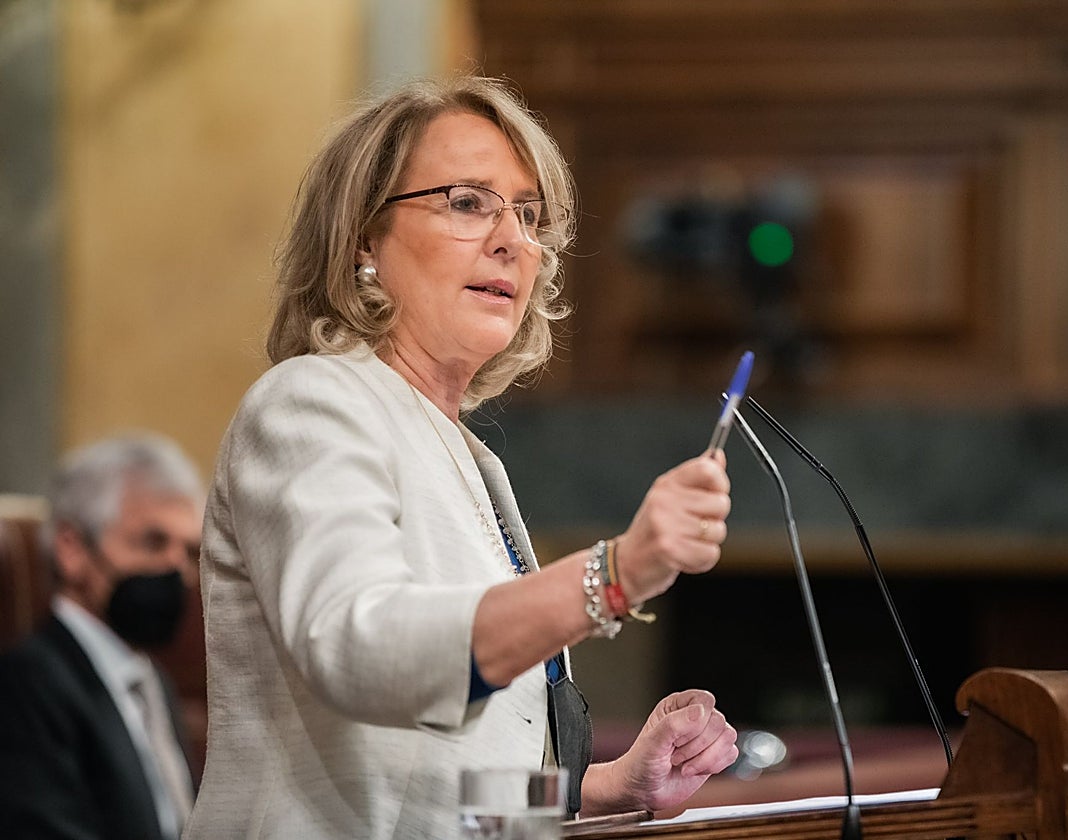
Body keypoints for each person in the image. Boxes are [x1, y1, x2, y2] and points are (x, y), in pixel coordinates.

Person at [185, 75, 738, 840]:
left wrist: (605, 787)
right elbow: (361, 650)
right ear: (362, 243)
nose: (514, 239)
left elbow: (437, 777)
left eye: (528, 213)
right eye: (468, 202)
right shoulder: (310, 403)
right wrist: (610, 577)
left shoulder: (472, 459)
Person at [0, 433, 203, 840]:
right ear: (71, 548)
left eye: (190, 552)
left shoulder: (151, 678)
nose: (178, 571)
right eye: (153, 542)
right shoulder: (26, 683)